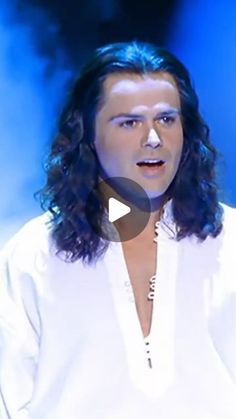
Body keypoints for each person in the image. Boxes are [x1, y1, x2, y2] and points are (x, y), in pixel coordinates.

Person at [0, 41, 236, 419]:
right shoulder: (33, 255)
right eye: (130, 122)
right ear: (88, 135)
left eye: (166, 119)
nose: (153, 138)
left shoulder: (231, 241)